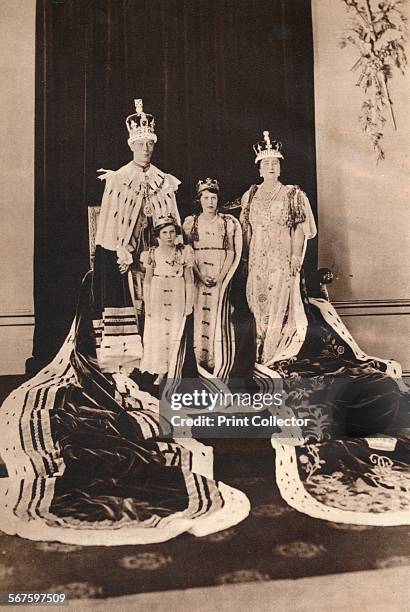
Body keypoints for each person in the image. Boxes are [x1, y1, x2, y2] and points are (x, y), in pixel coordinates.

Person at [92, 99, 182, 375]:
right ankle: (127, 360)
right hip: (125, 253)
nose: (145, 149)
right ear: (131, 145)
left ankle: (158, 360)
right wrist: (121, 250)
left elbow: (172, 223)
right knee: (128, 294)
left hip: (155, 254)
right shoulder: (118, 180)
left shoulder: (163, 180)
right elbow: (108, 224)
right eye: (140, 144)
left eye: (149, 144)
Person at [240, 131, 316, 366]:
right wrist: (243, 260)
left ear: (280, 168)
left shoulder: (293, 194)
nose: (271, 167)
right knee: (256, 302)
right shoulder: (250, 195)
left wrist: (295, 255)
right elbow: (245, 231)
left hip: (281, 259)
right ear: (259, 169)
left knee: (278, 303)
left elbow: (300, 228)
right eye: (266, 164)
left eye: (275, 163)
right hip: (256, 260)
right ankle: (258, 353)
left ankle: (275, 355)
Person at [183, 179, 241, 376]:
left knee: (218, 314)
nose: (210, 202)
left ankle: (217, 359)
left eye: (213, 198)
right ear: (199, 200)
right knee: (199, 313)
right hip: (198, 272)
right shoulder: (192, 222)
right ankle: (199, 358)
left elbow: (231, 252)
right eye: (206, 198)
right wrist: (199, 275)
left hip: (220, 272)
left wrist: (221, 276)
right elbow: (188, 251)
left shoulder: (227, 222)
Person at [139, 216, 194, 384]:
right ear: (158, 235)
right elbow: (147, 280)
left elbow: (189, 279)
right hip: (158, 293)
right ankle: (161, 370)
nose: (169, 236)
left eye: (172, 232)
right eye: (164, 232)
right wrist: (147, 304)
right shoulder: (151, 253)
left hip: (177, 292)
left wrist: (189, 303)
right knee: (159, 331)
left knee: (175, 330)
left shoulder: (184, 251)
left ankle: (174, 369)